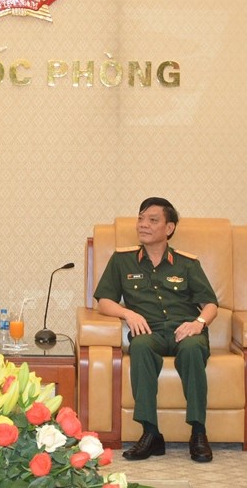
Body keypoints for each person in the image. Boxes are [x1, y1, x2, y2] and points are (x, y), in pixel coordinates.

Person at [93, 197, 218, 463]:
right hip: (149, 331)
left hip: (185, 331)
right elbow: (104, 301)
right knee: (139, 345)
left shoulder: (187, 264)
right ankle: (150, 433)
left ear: (169, 228)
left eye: (152, 220)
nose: (143, 225)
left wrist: (198, 324)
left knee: (194, 349)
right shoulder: (122, 260)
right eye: (141, 218)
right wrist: (127, 313)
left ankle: (198, 432)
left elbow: (210, 305)